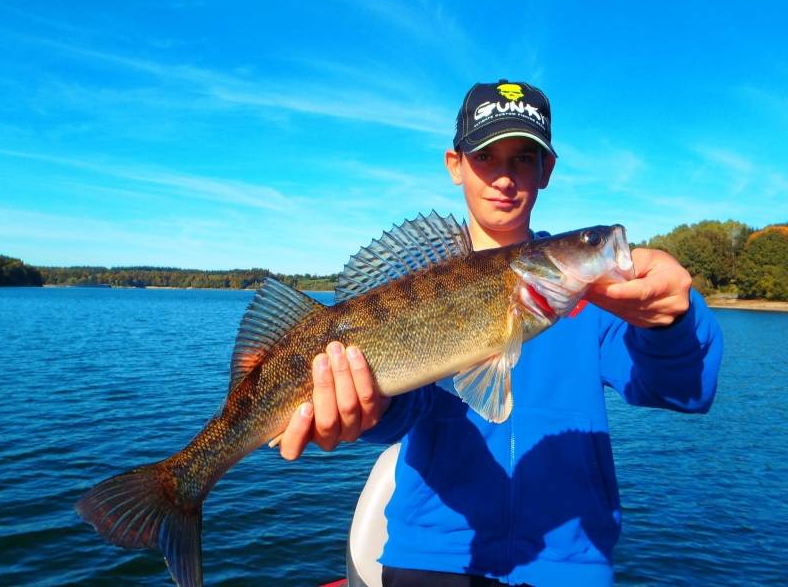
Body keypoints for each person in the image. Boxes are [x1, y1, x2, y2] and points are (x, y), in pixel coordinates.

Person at [278, 80, 723, 586]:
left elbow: (687, 389)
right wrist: (365, 413)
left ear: (546, 171)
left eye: (523, 159)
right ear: (455, 164)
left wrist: (672, 320)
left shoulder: (595, 300)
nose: (504, 178)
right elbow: (402, 411)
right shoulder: (419, 281)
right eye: (486, 156)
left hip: (568, 564)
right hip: (434, 557)